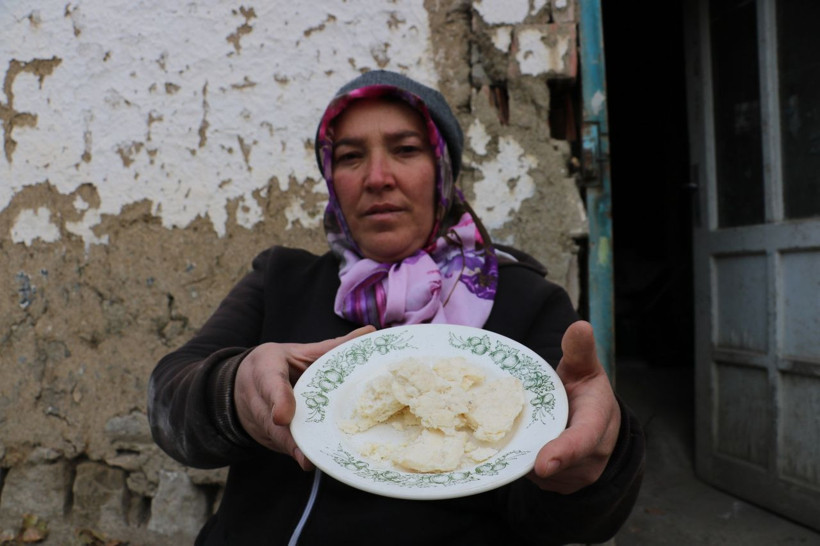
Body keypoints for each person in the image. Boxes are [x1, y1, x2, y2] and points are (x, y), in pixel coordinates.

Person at [148, 70, 644, 545]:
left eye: (406, 149)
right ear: (331, 177)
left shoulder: (527, 302)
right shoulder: (282, 280)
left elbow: (561, 518)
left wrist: (600, 461)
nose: (377, 177)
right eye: (350, 156)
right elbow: (169, 403)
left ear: (442, 169)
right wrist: (233, 392)